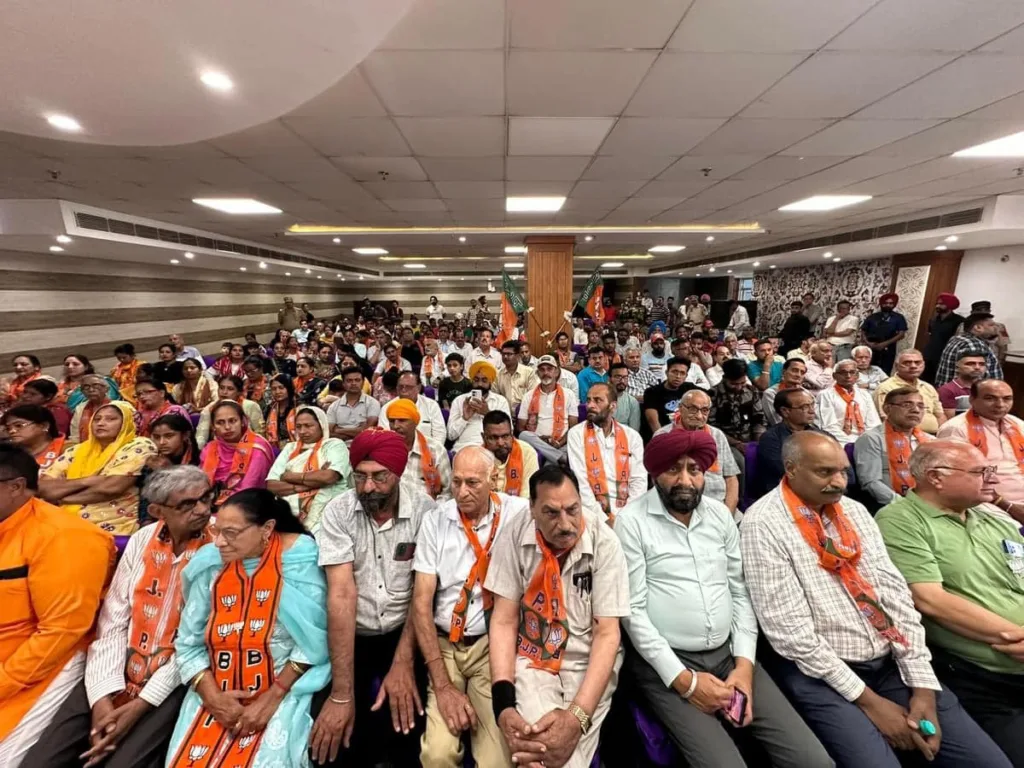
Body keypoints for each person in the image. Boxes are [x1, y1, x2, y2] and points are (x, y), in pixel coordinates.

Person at [741, 431, 1010, 768]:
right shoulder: (763, 523)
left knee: (987, 762)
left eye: (843, 471)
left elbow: (896, 596)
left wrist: (923, 688)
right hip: (820, 673)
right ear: (791, 469)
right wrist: (870, 703)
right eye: (825, 472)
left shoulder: (853, 511)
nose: (839, 482)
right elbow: (792, 635)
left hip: (889, 661)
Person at [616, 431, 832, 768]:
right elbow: (634, 613)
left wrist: (744, 667)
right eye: (673, 470)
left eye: (694, 470)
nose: (685, 480)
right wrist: (686, 683)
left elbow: (740, 592)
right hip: (667, 663)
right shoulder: (632, 522)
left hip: (730, 655)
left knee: (813, 761)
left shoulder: (719, 516)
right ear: (655, 474)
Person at [24, 466, 213, 768]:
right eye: (187, 504)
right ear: (156, 509)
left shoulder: (221, 545)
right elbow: (113, 622)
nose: (203, 510)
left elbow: (196, 640)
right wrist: (102, 697)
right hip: (117, 667)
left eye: (206, 498)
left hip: (177, 676)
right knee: (43, 758)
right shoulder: (142, 540)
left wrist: (140, 705)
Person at [876, 440, 1024, 765]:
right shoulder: (901, 521)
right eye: (982, 472)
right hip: (983, 679)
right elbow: (931, 601)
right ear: (936, 477)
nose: (993, 479)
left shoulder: (990, 517)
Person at [165, 489, 330, 768]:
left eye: (231, 533)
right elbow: (188, 643)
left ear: (267, 528)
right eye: (216, 531)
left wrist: (271, 697)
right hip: (215, 691)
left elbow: (313, 642)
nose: (218, 542)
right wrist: (213, 697)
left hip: (281, 689)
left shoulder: (301, 561)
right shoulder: (209, 564)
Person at [485, 464, 629, 768]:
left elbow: (607, 634)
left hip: (587, 661)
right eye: (551, 513)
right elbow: (504, 620)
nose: (566, 524)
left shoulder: (605, 542)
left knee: (559, 759)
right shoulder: (513, 533)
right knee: (539, 751)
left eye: (572, 510)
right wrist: (503, 704)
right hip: (534, 655)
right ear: (532, 509)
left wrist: (577, 717)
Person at [311, 429, 435, 767]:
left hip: (406, 630)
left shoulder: (425, 509)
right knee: (342, 735)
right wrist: (341, 693)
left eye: (380, 477)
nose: (368, 487)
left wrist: (403, 663)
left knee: (408, 726)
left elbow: (420, 595)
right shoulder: (338, 512)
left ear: (397, 474)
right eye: (360, 477)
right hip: (353, 632)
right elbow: (341, 594)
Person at [411, 447, 529, 767]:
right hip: (444, 646)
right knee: (437, 755)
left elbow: (565, 513)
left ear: (494, 480)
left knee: (498, 761)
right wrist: (444, 686)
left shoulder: (519, 513)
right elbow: (421, 603)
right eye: (457, 482)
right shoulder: (436, 520)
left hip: (490, 645)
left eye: (473, 483)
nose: (462, 492)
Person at [0, 445, 114, 768]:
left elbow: (61, 631)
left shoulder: (65, 537)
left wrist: (3, 682)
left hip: (46, 665)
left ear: (17, 486)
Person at [40, 401, 156, 535]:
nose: (101, 423)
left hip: (115, 527)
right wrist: (90, 480)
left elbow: (111, 487)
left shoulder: (138, 444)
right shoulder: (77, 450)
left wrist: (60, 497)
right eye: (97, 419)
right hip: (63, 523)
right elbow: (43, 486)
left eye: (111, 419)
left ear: (126, 423)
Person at [937, 379, 1024, 518]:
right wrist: (1008, 506)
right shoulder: (956, 429)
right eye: (990, 398)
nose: (1000, 405)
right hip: (987, 504)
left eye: (1007, 399)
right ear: (972, 399)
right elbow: (958, 479)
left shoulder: (1018, 424)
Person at [568, 382, 646, 524]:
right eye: (589, 400)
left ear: (613, 406)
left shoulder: (632, 436)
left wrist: (625, 517)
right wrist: (603, 519)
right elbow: (581, 481)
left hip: (629, 514)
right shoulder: (576, 434)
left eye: (597, 400)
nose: (590, 405)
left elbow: (639, 481)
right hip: (591, 514)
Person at [266, 405, 351, 534]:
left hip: (327, 508)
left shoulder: (333, 445)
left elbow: (329, 477)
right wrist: (310, 484)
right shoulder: (290, 448)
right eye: (298, 427)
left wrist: (289, 476)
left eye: (308, 426)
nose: (302, 431)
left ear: (321, 425)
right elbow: (272, 485)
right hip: (290, 512)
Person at [655, 389, 741, 516]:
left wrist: (728, 514)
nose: (699, 416)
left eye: (704, 410)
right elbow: (658, 480)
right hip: (680, 506)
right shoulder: (663, 436)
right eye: (693, 409)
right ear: (680, 408)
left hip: (719, 506)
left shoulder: (717, 435)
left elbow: (731, 478)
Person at [854, 388, 933, 509]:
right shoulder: (872, 439)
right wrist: (907, 506)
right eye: (907, 405)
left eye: (921, 406)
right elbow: (871, 483)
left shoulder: (930, 441)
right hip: (893, 506)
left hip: (931, 503)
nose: (916, 410)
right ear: (887, 409)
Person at [752, 389, 827, 500]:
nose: (812, 411)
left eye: (812, 405)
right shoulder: (771, 439)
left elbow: (847, 472)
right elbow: (786, 472)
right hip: (785, 495)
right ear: (785, 411)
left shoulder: (824, 436)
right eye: (804, 407)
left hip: (824, 491)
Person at [199, 400, 274, 504]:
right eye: (220, 423)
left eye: (232, 421)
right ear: (213, 426)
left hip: (248, 505)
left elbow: (248, 488)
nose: (227, 427)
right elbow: (200, 485)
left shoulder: (257, 448)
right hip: (210, 504)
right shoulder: (210, 448)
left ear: (243, 421)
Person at [708, 359, 766, 478]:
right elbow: (711, 427)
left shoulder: (751, 391)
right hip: (727, 442)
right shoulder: (713, 395)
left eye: (742, 383)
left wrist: (758, 442)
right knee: (740, 463)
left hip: (750, 438)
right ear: (725, 378)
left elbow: (759, 418)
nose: (739, 387)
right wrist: (737, 443)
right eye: (734, 384)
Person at [386, 398, 452, 501]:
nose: (395, 426)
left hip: (428, 511)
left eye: (402, 420)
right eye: (392, 421)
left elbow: (447, 493)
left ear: (415, 422)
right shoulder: (383, 449)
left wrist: (433, 512)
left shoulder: (435, 449)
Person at [518, 355, 579, 465]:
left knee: (548, 468)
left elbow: (573, 427)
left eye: (549, 369)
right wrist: (539, 440)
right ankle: (561, 458)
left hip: (561, 443)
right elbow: (521, 427)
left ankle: (555, 457)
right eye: (542, 370)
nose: (546, 373)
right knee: (523, 435)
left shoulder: (568, 394)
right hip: (536, 442)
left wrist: (559, 443)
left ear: (556, 372)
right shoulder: (528, 396)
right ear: (538, 374)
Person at [875, 349, 945, 434]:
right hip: (903, 435)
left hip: (933, 436)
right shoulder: (886, 387)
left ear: (923, 365)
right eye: (907, 363)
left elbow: (940, 415)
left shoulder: (928, 387)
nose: (913, 366)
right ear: (896, 366)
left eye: (917, 363)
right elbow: (886, 418)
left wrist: (942, 435)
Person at [448, 361, 511, 453]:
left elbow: (509, 432)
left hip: (493, 450)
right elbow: (451, 435)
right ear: (472, 380)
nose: (480, 384)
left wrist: (488, 414)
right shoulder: (459, 401)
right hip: (464, 449)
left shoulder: (500, 401)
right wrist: (464, 418)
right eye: (476, 380)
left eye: (484, 380)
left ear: (491, 382)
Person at [816, 359, 881, 445]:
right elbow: (829, 426)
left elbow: (874, 423)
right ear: (834, 376)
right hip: (839, 442)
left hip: (866, 442)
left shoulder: (865, 395)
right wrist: (851, 444)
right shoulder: (825, 395)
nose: (848, 376)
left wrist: (867, 441)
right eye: (843, 372)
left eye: (852, 372)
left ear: (857, 375)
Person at [376, 370, 446, 446]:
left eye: (408, 387)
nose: (403, 390)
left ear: (418, 388)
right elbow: (384, 436)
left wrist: (431, 451)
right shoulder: (387, 408)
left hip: (428, 451)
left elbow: (439, 434)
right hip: (398, 450)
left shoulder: (431, 405)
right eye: (400, 387)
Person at [195, 376, 265, 449]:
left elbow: (260, 433)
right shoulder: (210, 408)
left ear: (239, 392)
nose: (224, 392)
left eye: (230, 389)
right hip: (219, 449)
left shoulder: (250, 406)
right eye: (221, 388)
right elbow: (201, 435)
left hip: (248, 448)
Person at [935, 312, 1003, 387]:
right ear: (978, 328)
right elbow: (975, 377)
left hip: (949, 391)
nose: (996, 327)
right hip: (965, 395)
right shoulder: (973, 344)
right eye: (991, 325)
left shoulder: (957, 338)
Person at [482, 411, 538, 498]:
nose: (500, 443)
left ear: (512, 434)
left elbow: (527, 497)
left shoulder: (527, 452)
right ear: (484, 437)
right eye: (494, 437)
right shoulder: (477, 457)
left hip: (519, 508)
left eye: (505, 436)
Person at [643, 357, 698, 434]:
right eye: (674, 372)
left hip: (686, 433)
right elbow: (652, 421)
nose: (678, 376)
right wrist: (663, 439)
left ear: (686, 376)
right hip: (664, 434)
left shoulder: (689, 388)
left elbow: (709, 396)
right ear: (667, 372)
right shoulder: (652, 392)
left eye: (682, 373)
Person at [327, 366, 380, 444]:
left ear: (363, 382)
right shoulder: (334, 406)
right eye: (349, 380)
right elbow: (329, 432)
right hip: (338, 446)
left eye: (357, 380)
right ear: (343, 384)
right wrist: (359, 430)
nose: (353, 383)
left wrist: (338, 430)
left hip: (365, 445)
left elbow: (368, 431)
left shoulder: (372, 403)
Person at [2, 405, 65, 470]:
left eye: (18, 425)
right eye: (8, 428)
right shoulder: (7, 454)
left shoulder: (67, 448)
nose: (12, 431)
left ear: (44, 426)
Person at [861, 293, 908, 375]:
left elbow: (901, 334)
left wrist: (884, 344)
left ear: (894, 305)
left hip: (888, 349)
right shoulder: (873, 316)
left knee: (884, 372)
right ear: (881, 304)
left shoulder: (898, 317)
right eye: (885, 303)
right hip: (871, 347)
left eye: (890, 303)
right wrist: (869, 343)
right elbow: (863, 331)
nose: (888, 305)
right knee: (867, 370)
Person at [923, 293, 965, 383]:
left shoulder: (960, 321)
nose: (937, 306)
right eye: (937, 303)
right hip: (929, 356)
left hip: (945, 357)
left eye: (941, 304)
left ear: (950, 305)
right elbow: (930, 335)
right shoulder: (933, 320)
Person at [493, 340, 537, 416]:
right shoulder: (498, 375)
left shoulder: (528, 372)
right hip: (505, 416)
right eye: (503, 354)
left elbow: (533, 396)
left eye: (509, 354)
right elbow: (495, 398)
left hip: (526, 415)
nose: (505, 357)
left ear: (517, 355)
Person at [937, 352, 986, 418]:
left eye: (981, 364)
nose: (977, 367)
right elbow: (951, 420)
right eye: (970, 364)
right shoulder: (947, 390)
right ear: (957, 368)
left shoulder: (988, 389)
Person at [68, 374, 114, 444]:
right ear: (82, 392)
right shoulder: (80, 408)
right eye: (86, 387)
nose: (91, 390)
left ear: (106, 388)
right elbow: (75, 437)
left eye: (96, 385)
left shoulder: (119, 406)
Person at [763, 358, 807, 427]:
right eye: (795, 370)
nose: (798, 375)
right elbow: (776, 421)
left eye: (802, 372)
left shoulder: (806, 394)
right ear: (783, 372)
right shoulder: (771, 393)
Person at [264, 372, 297, 449]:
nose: (277, 392)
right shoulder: (270, 409)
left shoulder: (299, 408)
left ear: (288, 388)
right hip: (275, 450)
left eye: (281, 388)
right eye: (274, 389)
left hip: (296, 448)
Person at [608, 361, 641, 432]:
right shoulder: (600, 399)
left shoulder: (632, 402)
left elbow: (634, 431)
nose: (622, 380)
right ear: (609, 379)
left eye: (625, 377)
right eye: (618, 377)